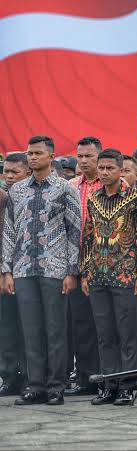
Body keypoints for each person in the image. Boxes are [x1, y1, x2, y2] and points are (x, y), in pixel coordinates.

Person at [2, 135, 81, 406]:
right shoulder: (17, 190)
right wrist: (7, 270)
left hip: (55, 269)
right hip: (23, 269)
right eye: (30, 153)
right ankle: (34, 385)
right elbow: (9, 231)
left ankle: (56, 386)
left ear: (51, 156)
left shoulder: (65, 188)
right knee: (31, 330)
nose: (33, 157)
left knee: (55, 330)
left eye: (37, 153)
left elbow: (74, 230)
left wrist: (72, 271)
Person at [81, 148, 137, 407]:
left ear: (121, 170)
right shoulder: (94, 198)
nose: (105, 172)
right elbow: (88, 236)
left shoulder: (136, 198)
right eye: (102, 168)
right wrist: (85, 272)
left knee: (127, 334)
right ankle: (108, 385)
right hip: (98, 276)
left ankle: (127, 387)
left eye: (110, 168)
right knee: (104, 334)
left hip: (126, 276)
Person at [65, 137, 103, 397]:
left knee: (103, 323)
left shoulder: (115, 185)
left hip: (104, 265)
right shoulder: (70, 187)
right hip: (76, 264)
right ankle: (85, 377)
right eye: (80, 156)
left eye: (89, 156)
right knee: (80, 324)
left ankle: (105, 376)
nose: (84, 161)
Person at [0, 153, 30, 397]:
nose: (9, 177)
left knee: (29, 327)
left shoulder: (33, 196)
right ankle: (9, 376)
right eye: (6, 172)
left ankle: (31, 376)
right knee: (6, 327)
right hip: (5, 272)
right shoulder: (2, 198)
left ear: (28, 173)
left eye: (14, 172)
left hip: (29, 271)